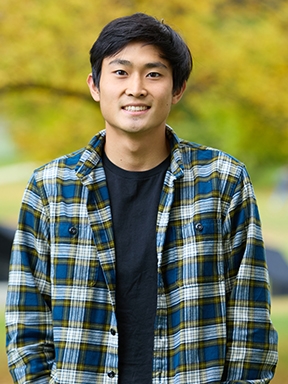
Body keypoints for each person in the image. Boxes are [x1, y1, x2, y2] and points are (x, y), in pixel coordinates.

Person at [6, 12, 278, 384]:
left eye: (154, 73)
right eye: (120, 72)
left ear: (177, 88)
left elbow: (251, 322)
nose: (136, 88)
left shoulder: (222, 181)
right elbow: (26, 322)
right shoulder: (50, 187)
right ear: (95, 86)